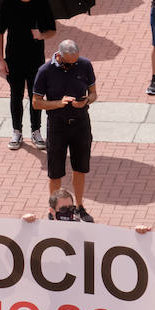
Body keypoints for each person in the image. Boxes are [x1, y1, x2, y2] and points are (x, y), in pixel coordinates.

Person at [33, 40, 97, 222]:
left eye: (75, 61)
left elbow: (93, 93)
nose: (73, 65)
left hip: (81, 124)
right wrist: (58, 103)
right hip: (57, 126)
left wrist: (85, 101)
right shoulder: (45, 71)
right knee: (55, 172)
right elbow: (36, 103)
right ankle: (54, 209)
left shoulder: (84, 65)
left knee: (80, 168)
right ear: (59, 56)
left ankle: (79, 206)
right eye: (69, 62)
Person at [0, 0, 56, 150]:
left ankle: (36, 131)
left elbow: (52, 30)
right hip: (13, 59)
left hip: (35, 60)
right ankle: (16, 131)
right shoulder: (8, 5)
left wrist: (41, 35)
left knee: (36, 96)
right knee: (16, 95)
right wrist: (1, 60)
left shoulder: (42, 4)